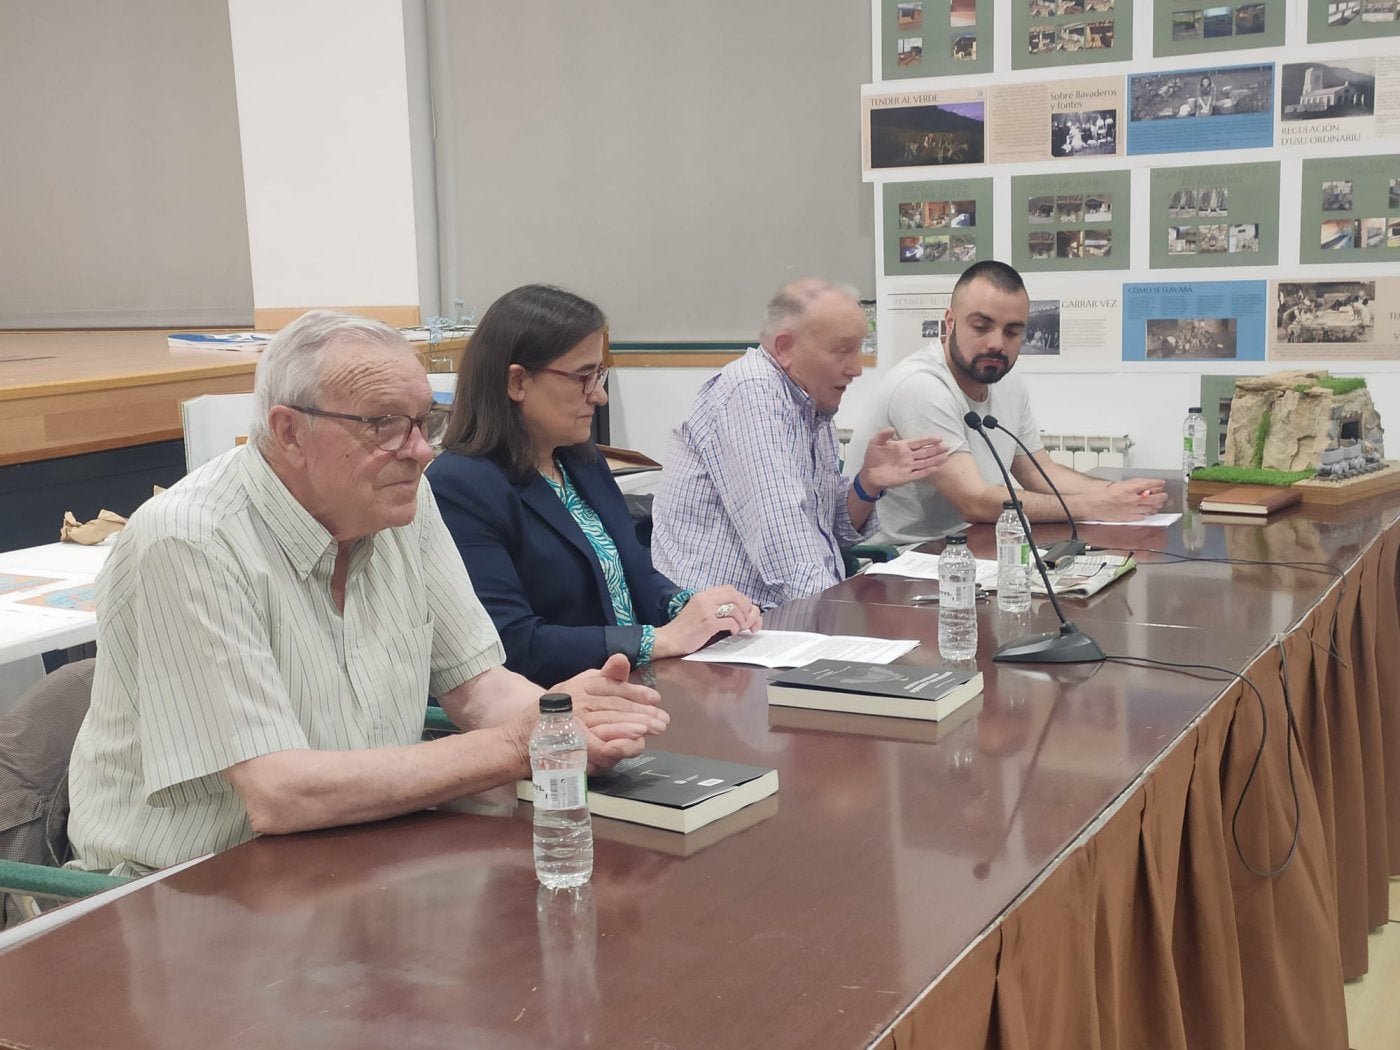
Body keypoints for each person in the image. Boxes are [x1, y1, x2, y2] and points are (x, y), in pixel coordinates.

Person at [67, 311, 668, 876]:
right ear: (289, 431)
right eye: (384, 424)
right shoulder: (192, 538)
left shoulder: (405, 500)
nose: (422, 450)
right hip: (184, 887)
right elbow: (278, 794)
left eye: (423, 421)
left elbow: (478, 686)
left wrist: (564, 718)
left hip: (355, 855)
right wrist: (519, 745)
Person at [427, 285, 760, 686]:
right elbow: (513, 643)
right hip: (558, 707)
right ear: (517, 382)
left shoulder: (580, 459)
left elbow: (627, 572)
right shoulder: (460, 486)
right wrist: (659, 639)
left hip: (640, 682)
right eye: (584, 377)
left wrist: (689, 606)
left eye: (600, 374)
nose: (599, 395)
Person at [651, 278, 948, 608]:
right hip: (727, 625)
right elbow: (784, 546)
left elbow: (833, 530)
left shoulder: (810, 403)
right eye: (842, 351)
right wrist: (840, 621)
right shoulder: (751, 391)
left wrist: (867, 483)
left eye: (859, 350)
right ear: (785, 347)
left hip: (787, 611)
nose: (856, 369)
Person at [845, 261, 1167, 544]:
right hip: (899, 564)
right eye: (981, 327)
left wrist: (1116, 494)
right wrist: (1095, 506)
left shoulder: (1006, 380)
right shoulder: (921, 386)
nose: (997, 344)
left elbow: (1039, 473)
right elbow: (974, 501)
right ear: (949, 322)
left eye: (1012, 332)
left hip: (971, 547)